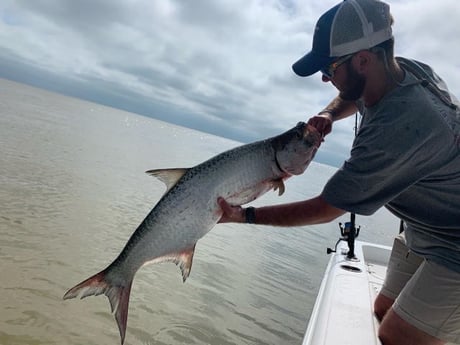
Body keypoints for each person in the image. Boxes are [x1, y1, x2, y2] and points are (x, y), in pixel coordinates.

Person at [217, 0, 460, 344]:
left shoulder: (400, 125)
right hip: (430, 227)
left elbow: (324, 209)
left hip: (456, 242)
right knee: (382, 309)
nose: (324, 77)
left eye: (331, 68)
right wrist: (329, 115)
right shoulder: (398, 71)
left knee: (397, 335)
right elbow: (352, 97)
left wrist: (244, 216)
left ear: (363, 59)